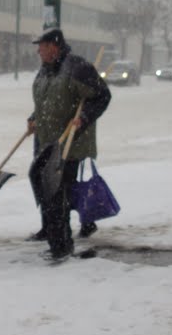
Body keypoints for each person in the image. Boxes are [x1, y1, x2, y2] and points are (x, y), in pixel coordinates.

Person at [26, 28, 111, 260]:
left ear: (54, 47)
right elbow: (45, 102)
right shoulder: (45, 71)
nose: (38, 51)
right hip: (48, 141)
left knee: (56, 194)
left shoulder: (78, 68)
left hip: (71, 144)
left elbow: (102, 96)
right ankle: (59, 239)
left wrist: (83, 118)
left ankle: (61, 246)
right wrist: (34, 118)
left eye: (41, 46)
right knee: (44, 185)